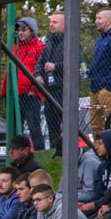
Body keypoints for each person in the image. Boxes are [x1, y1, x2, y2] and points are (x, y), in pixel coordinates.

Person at [2, 18, 45, 150]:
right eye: (19, 30)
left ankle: (39, 153)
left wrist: (35, 90)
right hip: (15, 95)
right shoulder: (14, 48)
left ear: (32, 31)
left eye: (24, 30)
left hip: (31, 95)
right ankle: (15, 154)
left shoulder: (40, 48)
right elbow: (8, 71)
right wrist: (4, 92)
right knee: (14, 129)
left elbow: (41, 71)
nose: (20, 33)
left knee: (34, 128)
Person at [33, 9, 66, 154]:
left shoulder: (71, 42)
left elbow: (76, 63)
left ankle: (64, 150)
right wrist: (38, 74)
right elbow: (40, 61)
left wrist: (56, 67)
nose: (51, 25)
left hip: (63, 89)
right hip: (49, 90)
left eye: (55, 22)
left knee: (64, 122)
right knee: (51, 123)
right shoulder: (49, 43)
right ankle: (54, 150)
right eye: (50, 22)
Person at [88, 7, 111, 134]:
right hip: (95, 85)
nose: (96, 21)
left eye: (99, 18)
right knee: (95, 123)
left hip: (106, 86)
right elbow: (98, 62)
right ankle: (98, 147)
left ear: (108, 21)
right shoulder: (100, 41)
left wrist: (110, 84)